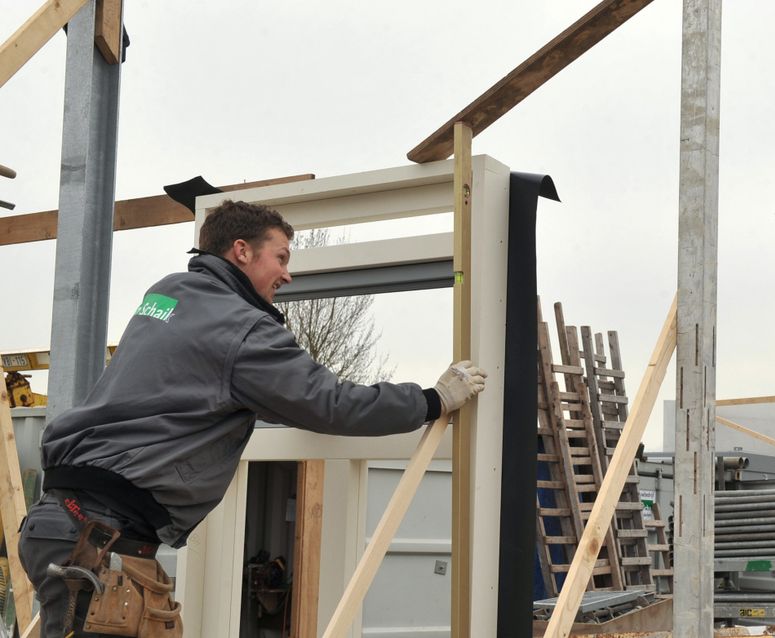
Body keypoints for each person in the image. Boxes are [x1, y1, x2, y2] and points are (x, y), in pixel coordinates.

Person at [19, 199, 487, 637]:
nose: (287, 275)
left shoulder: (166, 294)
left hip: (58, 523)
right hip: (100, 540)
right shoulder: (241, 329)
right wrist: (431, 399)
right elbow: (330, 402)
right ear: (241, 251)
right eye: (281, 258)